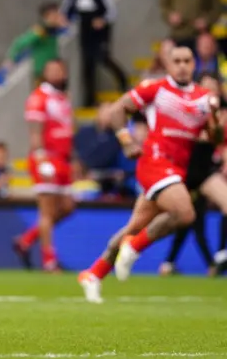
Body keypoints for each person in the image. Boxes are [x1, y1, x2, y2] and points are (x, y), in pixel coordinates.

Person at [78, 46, 220, 303]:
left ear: (194, 64)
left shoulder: (203, 98)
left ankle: (94, 273)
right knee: (185, 213)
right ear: (168, 64)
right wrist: (126, 140)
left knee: (134, 226)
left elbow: (214, 139)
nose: (182, 66)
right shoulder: (156, 88)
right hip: (154, 162)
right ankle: (134, 248)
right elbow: (119, 109)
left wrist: (216, 118)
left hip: (176, 171)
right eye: (176, 61)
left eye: (187, 61)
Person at [160, 72, 227, 276]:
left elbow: (220, 143)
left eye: (214, 87)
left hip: (206, 172)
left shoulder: (221, 114)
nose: (210, 91)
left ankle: (221, 254)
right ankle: (168, 262)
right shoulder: (188, 111)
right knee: (186, 219)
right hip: (185, 173)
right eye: (206, 87)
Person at [13, 59, 75, 272]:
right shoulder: (39, 97)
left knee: (67, 207)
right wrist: (40, 159)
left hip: (63, 159)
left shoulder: (63, 98)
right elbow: (35, 131)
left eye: (60, 70)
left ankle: (26, 240)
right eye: (52, 70)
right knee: (47, 212)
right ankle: (49, 260)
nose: (57, 74)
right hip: (47, 158)